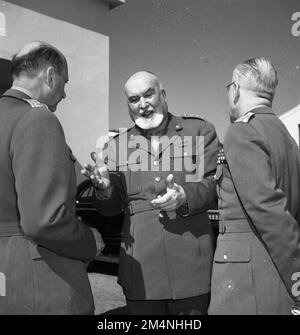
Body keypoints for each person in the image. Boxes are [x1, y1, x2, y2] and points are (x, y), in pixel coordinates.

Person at [82, 71, 220, 315]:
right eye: (134, 99)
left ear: (163, 95)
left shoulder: (198, 131)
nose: (143, 104)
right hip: (141, 270)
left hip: (191, 267)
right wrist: (105, 189)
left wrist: (184, 196)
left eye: (149, 94)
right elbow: (110, 209)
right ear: (128, 105)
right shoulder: (116, 146)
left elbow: (212, 186)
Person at [0, 41, 103, 314]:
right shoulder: (37, 119)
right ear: (49, 75)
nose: (65, 94)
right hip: (41, 285)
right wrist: (90, 240)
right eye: (64, 82)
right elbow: (44, 221)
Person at [208, 57, 300, 315]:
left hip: (246, 284)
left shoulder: (242, 131)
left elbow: (268, 210)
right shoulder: (285, 136)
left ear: (235, 89)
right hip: (274, 276)